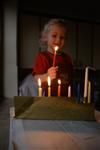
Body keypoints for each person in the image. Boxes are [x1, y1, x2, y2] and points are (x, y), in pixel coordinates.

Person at [32, 18, 74, 96]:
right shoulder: (43, 57)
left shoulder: (67, 58)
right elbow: (36, 78)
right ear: (45, 38)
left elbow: (71, 80)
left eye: (62, 37)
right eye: (54, 36)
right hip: (49, 98)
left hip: (65, 98)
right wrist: (46, 76)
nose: (58, 40)